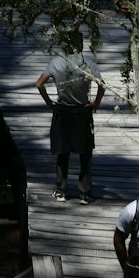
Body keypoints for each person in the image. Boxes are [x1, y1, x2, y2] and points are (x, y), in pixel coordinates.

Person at [35, 27, 105, 202]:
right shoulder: (89, 64)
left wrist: (49, 101)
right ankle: (84, 193)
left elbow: (39, 84)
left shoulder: (56, 62)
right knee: (85, 152)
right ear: (80, 45)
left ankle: (61, 190)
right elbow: (102, 85)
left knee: (62, 151)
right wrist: (96, 103)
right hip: (82, 111)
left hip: (63, 110)